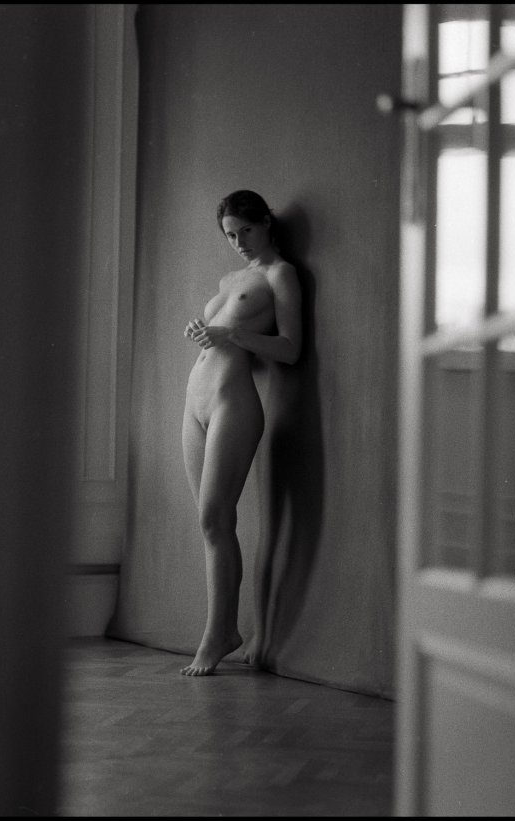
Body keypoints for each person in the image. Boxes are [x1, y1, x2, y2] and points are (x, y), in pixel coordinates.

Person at [180, 189, 302, 676]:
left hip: (234, 402)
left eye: (246, 230)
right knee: (209, 524)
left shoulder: (281, 274)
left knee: (215, 516)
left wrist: (231, 334)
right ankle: (226, 630)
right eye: (230, 235)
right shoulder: (230, 279)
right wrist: (204, 331)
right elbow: (220, 333)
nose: (239, 242)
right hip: (196, 401)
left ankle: (219, 634)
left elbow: (290, 348)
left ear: (267, 222)